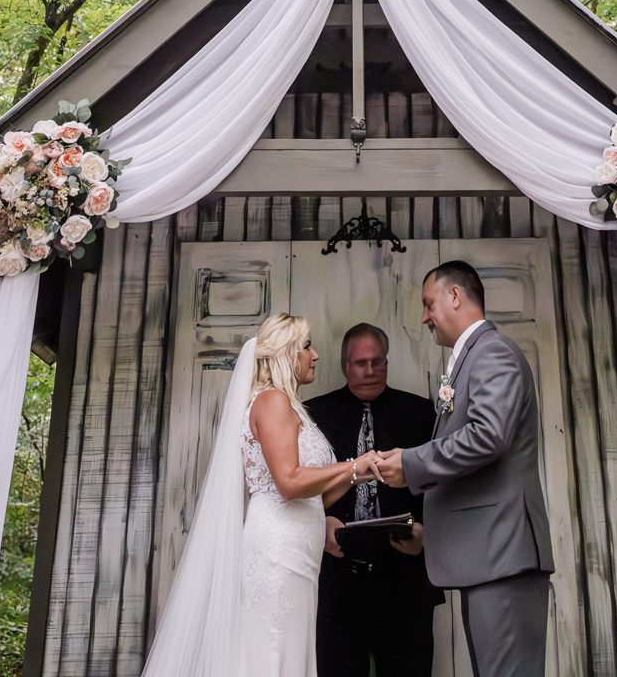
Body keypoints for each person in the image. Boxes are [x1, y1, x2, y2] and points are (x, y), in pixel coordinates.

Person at [141, 311, 381, 677]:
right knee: (272, 651)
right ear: (286, 354)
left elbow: (313, 497)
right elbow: (289, 481)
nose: (315, 355)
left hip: (299, 549)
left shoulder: (290, 404)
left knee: (287, 649)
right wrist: (352, 465)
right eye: (306, 346)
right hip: (278, 550)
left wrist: (361, 474)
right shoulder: (271, 402)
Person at [372, 262, 554, 677]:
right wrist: (429, 536)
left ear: (454, 296)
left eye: (427, 303)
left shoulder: (492, 352)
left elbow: (488, 435)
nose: (424, 317)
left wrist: (411, 463)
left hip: (504, 555)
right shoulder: (473, 357)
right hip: (491, 556)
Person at [307, 322, 443, 677]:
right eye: (359, 363)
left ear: (387, 362)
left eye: (376, 361)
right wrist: (316, 525)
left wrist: (427, 536)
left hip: (404, 579)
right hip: (335, 579)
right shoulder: (312, 415)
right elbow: (294, 486)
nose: (369, 370)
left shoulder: (420, 412)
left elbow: (443, 485)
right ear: (343, 366)